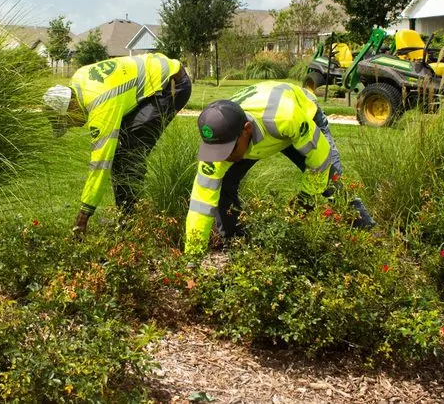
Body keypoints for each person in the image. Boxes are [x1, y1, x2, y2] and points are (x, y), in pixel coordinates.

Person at [184, 80, 375, 256]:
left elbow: (320, 159)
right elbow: (201, 204)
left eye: (229, 149)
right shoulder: (218, 143)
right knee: (223, 185)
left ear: (247, 129)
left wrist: (306, 198)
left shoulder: (286, 116)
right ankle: (236, 246)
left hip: (299, 117)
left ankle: (370, 240)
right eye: (218, 152)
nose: (224, 158)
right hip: (264, 129)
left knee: (333, 183)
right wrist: (192, 256)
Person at [43, 52, 192, 234]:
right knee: (123, 151)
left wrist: (84, 213)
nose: (71, 126)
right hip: (159, 77)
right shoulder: (78, 78)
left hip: (172, 86)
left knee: (128, 154)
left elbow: (100, 164)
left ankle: (132, 223)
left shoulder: (100, 104)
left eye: (67, 122)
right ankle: (128, 217)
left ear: (71, 107)